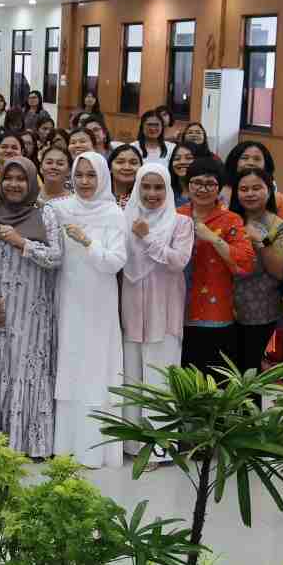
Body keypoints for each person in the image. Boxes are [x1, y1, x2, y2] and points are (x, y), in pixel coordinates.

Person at [0, 158, 63, 455]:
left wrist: (23, 242)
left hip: (33, 311)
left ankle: (28, 442)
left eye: (21, 179)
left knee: (26, 368)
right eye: (8, 178)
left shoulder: (46, 214)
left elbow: (56, 257)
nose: (14, 184)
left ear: (32, 182)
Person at [50, 151, 127, 469]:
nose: (84, 181)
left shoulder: (113, 214)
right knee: (69, 365)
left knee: (96, 369)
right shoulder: (59, 209)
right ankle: (65, 446)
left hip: (99, 304)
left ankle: (95, 450)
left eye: (91, 175)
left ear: (103, 177)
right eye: (79, 174)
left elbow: (115, 261)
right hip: (67, 298)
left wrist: (87, 242)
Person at [119, 162, 193, 445]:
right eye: (146, 187)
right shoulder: (124, 220)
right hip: (132, 312)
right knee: (132, 377)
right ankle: (132, 445)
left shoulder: (181, 223)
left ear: (168, 189)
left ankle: (159, 447)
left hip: (164, 312)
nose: (152, 193)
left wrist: (147, 236)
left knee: (160, 377)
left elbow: (178, 261)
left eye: (159, 187)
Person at [177, 156, 258, 373]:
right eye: (197, 182)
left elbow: (246, 262)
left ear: (219, 188)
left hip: (215, 312)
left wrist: (213, 238)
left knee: (212, 380)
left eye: (210, 184)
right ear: (187, 185)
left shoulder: (231, 220)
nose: (202, 189)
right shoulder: (176, 215)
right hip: (176, 311)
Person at [232, 167, 283, 371]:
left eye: (256, 188)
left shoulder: (280, 227)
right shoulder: (229, 219)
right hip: (226, 311)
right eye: (244, 189)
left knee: (253, 375)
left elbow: (280, 271)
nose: (250, 193)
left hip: (262, 313)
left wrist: (261, 241)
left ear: (269, 190)